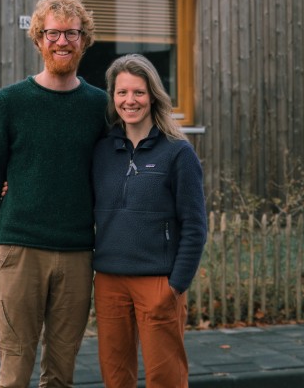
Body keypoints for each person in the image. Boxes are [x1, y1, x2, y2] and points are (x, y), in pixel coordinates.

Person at [0, 0, 107, 388]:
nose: (62, 42)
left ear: (84, 40)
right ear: (38, 39)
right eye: (53, 33)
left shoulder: (99, 106)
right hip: (19, 250)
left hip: (77, 253)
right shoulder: (9, 102)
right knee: (15, 370)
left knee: (61, 373)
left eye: (71, 33)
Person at [92, 54, 207, 388]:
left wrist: (176, 285)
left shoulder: (178, 153)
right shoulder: (101, 151)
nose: (130, 100)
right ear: (113, 98)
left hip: (158, 282)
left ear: (153, 96)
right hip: (109, 281)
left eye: (138, 92)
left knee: (166, 378)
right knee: (115, 377)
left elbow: (195, 226)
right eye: (122, 92)